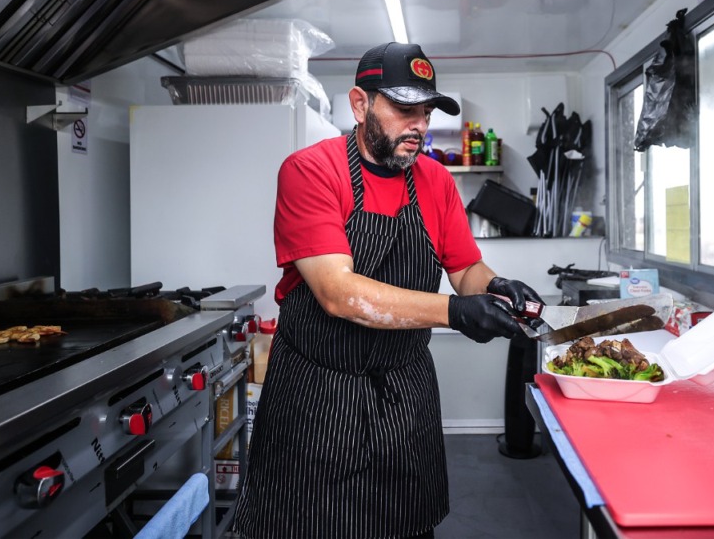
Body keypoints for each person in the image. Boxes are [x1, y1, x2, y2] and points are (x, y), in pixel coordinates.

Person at [233, 42, 544, 539]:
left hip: (403, 393)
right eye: (403, 109)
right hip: (317, 393)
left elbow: (465, 268)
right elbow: (338, 292)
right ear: (360, 105)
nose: (419, 124)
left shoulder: (436, 181)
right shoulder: (311, 171)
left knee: (404, 525)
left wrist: (496, 286)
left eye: (426, 111)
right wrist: (457, 312)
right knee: (308, 526)